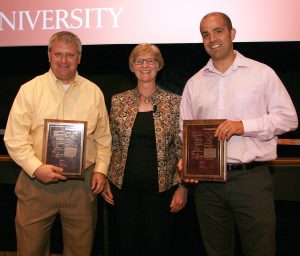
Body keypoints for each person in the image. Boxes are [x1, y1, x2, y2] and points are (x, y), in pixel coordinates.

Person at [179, 12, 298, 256]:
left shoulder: (261, 73)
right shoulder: (194, 83)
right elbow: (185, 131)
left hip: (250, 180)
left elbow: (288, 118)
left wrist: (244, 126)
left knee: (261, 249)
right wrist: (188, 160)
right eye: (205, 34)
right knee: (216, 250)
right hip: (208, 185)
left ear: (232, 33)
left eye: (218, 31)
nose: (212, 38)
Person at [4, 31, 112, 256]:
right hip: (37, 184)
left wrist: (101, 171)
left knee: (80, 250)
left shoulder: (93, 92)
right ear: (49, 55)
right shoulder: (30, 90)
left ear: (79, 57)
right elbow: (14, 138)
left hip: (81, 187)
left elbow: (103, 138)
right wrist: (36, 168)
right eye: (58, 54)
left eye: (70, 55)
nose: (64, 60)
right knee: (30, 250)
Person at [101, 43, 188, 256]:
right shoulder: (118, 101)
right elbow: (109, 143)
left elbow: (182, 149)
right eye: (139, 61)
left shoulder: (175, 103)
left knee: (159, 247)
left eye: (151, 60)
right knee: (128, 247)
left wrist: (183, 187)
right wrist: (104, 179)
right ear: (132, 67)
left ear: (159, 66)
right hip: (123, 191)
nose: (145, 65)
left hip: (162, 192)